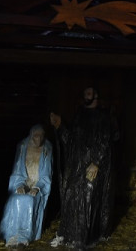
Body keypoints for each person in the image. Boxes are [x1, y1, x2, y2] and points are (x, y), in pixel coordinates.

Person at [50, 87, 118, 248]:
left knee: (87, 193)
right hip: (78, 167)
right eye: (85, 92)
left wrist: (96, 163)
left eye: (89, 92)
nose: (86, 95)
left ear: (96, 95)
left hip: (95, 168)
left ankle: (82, 238)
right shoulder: (79, 116)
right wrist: (60, 126)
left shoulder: (103, 118)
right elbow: (71, 141)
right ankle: (68, 234)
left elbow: (105, 141)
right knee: (71, 192)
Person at [0, 124, 53, 248]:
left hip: (38, 185)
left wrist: (37, 187)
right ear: (31, 135)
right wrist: (20, 185)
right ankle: (12, 235)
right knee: (15, 199)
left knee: (29, 200)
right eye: (36, 136)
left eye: (41, 136)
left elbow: (47, 174)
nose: (38, 139)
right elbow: (17, 170)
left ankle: (24, 237)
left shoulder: (47, 149)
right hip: (23, 183)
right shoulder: (23, 146)